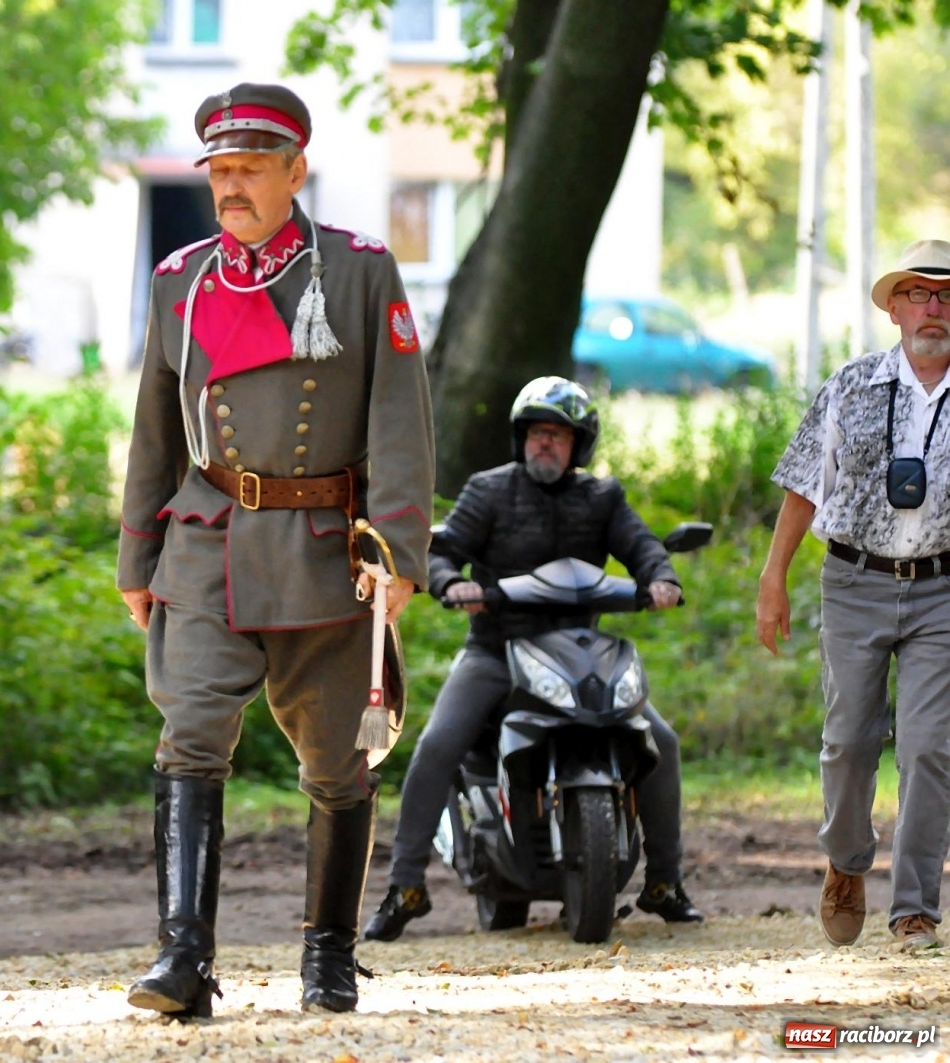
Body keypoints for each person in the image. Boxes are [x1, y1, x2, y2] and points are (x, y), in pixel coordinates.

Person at [116, 82, 435, 1016]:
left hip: (326, 549)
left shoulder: (361, 269)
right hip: (207, 541)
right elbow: (154, 431)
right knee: (191, 734)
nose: (231, 186)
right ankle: (184, 960)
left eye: (251, 168)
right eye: (219, 169)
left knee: (340, 762)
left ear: (297, 170)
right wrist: (137, 557)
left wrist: (402, 552)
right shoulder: (181, 280)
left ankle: (329, 957)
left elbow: (402, 422)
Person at [362, 375, 704, 942]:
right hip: (497, 649)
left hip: (582, 651)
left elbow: (643, 547)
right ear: (521, 439)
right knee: (438, 744)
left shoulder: (602, 497)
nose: (546, 443)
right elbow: (445, 552)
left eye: (559, 436)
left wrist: (661, 578)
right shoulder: (489, 490)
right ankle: (404, 888)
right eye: (538, 433)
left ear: (579, 446)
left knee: (661, 742)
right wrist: (450, 585)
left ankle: (664, 882)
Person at [757, 238, 950, 952]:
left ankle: (915, 907)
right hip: (854, 580)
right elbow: (806, 483)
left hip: (942, 588)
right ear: (895, 307)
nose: (933, 308)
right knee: (847, 744)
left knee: (931, 748)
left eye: (946, 295)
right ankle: (845, 861)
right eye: (919, 293)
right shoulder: (852, 383)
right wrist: (772, 579)